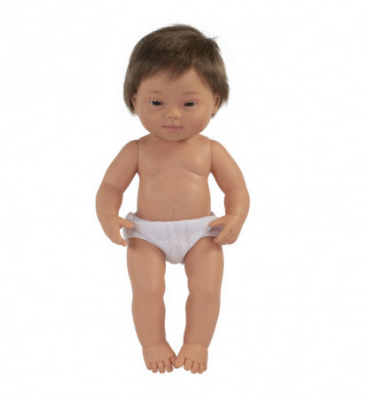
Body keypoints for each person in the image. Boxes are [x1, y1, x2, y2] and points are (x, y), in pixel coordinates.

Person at [96, 25, 250, 374]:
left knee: (206, 289)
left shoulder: (210, 149)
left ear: (215, 102)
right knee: (147, 290)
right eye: (156, 102)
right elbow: (110, 187)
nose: (173, 114)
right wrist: (108, 215)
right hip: (147, 233)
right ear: (134, 100)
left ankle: (197, 343)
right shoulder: (136, 150)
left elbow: (236, 189)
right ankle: (153, 343)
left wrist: (235, 216)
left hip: (202, 231)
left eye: (189, 103)